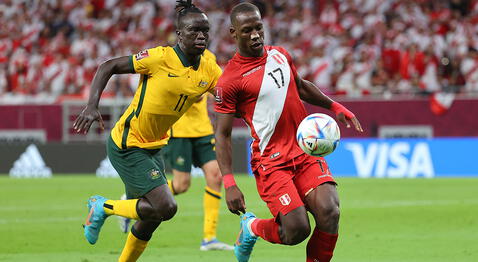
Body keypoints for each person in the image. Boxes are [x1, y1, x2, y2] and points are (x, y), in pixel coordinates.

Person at [73, 1, 222, 261]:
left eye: (205, 31)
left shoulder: (209, 69)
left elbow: (229, 94)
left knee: (152, 216)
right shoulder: (159, 58)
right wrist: (91, 105)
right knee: (166, 206)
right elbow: (108, 66)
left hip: (155, 147)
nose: (201, 36)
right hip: (127, 144)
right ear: (179, 34)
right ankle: (102, 206)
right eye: (194, 31)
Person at [214, 3, 363, 262]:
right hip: (272, 162)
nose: (256, 35)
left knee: (330, 212)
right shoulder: (230, 81)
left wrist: (334, 105)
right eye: (247, 30)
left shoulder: (280, 54)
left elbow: (301, 86)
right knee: (296, 230)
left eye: (259, 27)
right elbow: (222, 134)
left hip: (304, 153)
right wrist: (229, 183)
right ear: (233, 33)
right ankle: (251, 227)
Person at [119, 51, 233, 251]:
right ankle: (132, 202)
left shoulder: (209, 58)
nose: (200, 37)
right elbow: (193, 93)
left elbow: (217, 90)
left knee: (216, 176)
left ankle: (209, 238)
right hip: (178, 130)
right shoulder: (172, 58)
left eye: (203, 32)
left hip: (203, 130)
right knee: (181, 185)